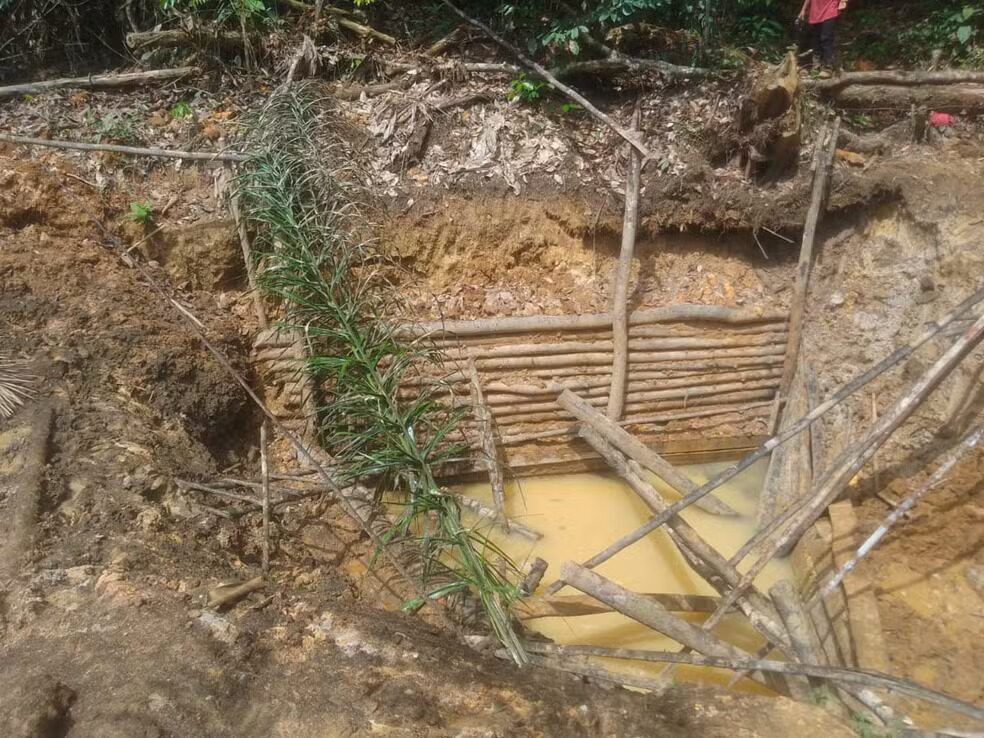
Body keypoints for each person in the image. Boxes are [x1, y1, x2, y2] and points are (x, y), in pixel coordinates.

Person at [798, 0, 848, 76]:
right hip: (816, 11)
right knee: (816, 39)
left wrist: (843, 2)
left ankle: (828, 66)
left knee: (826, 37)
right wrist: (803, 9)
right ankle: (816, 66)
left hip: (830, 9)